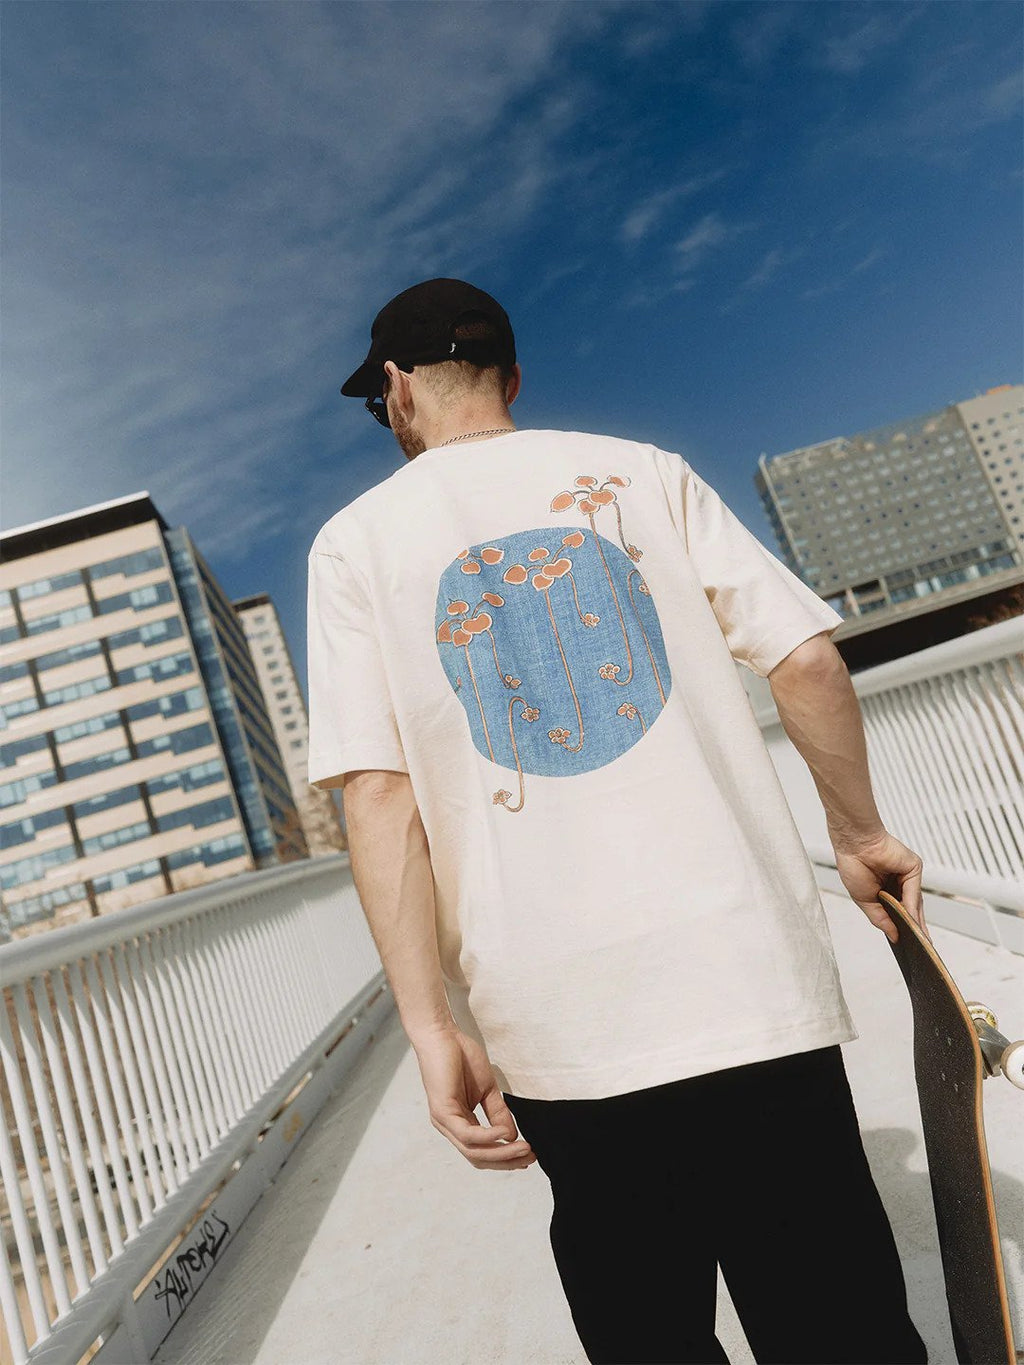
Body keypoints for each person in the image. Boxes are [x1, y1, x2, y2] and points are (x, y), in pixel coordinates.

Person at [306, 277, 930, 1365]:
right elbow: (808, 659)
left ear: (398, 389)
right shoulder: (645, 474)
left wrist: (430, 1026)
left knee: (648, 1328)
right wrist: (859, 835)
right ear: (512, 375)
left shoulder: (355, 544)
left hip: (558, 1018)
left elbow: (378, 792)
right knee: (840, 1326)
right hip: (745, 972)